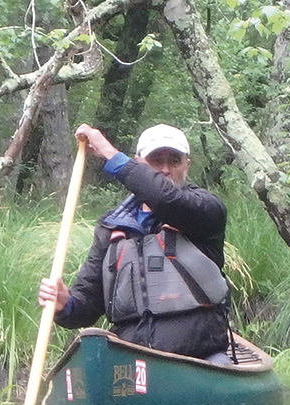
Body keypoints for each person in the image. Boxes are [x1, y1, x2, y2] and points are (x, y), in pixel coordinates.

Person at [38, 123, 231, 360]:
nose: (165, 169)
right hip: (131, 361)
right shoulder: (112, 227)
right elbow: (89, 302)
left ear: (186, 166)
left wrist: (109, 152)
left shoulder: (205, 209)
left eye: (174, 161)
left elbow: (165, 199)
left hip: (200, 355)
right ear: (139, 162)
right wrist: (66, 303)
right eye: (156, 161)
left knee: (217, 365)